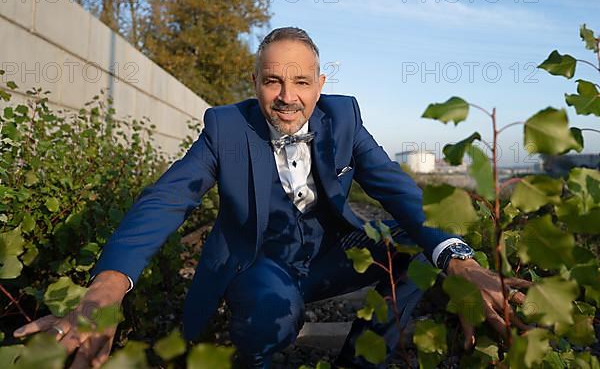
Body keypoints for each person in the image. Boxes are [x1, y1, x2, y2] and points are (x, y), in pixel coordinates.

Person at [13, 27, 531, 368]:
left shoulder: (344, 119)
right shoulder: (224, 128)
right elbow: (165, 200)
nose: (288, 96)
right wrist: (105, 290)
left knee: (419, 250)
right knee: (271, 320)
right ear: (255, 82)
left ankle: (360, 358)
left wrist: (461, 259)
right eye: (273, 81)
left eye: (302, 82)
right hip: (263, 263)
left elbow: (397, 190)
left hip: (332, 254)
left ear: (320, 83)